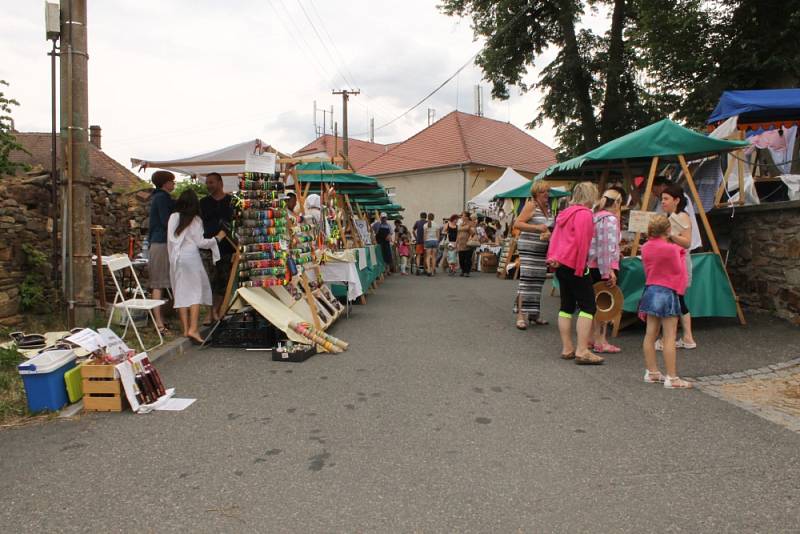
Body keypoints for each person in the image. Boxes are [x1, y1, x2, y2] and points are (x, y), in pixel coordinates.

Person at [546, 182, 604, 365]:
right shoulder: (585, 214)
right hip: (575, 264)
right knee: (588, 307)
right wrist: (581, 267)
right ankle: (582, 350)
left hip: (560, 263)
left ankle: (567, 347)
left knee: (566, 306)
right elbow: (582, 243)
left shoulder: (564, 213)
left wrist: (552, 258)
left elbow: (555, 238)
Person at [639, 215, 692, 389]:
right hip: (667, 292)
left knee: (650, 334)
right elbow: (678, 270)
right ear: (668, 230)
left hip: (650, 290)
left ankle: (652, 372)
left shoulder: (645, 247)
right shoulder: (672, 249)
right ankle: (672, 377)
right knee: (669, 336)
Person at [167, 190, 224, 344]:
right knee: (195, 293)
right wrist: (216, 239)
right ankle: (193, 328)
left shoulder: (174, 216)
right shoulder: (196, 220)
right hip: (191, 257)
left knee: (181, 291)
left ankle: (185, 329)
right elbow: (200, 243)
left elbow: (171, 240)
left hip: (177, 258)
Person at [657, 183, 698, 350]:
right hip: (671, 263)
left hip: (679, 264)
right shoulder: (671, 216)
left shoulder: (682, 217)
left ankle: (684, 337)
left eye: (666, 199)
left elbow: (687, 242)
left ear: (676, 200)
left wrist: (670, 236)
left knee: (678, 299)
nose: (663, 202)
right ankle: (685, 337)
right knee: (677, 299)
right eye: (662, 199)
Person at [513, 180, 553, 329]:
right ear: (536, 193)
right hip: (529, 248)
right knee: (527, 280)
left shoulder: (547, 208)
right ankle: (520, 316)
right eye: (543, 192)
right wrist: (537, 228)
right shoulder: (531, 205)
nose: (547, 194)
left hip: (541, 249)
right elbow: (517, 224)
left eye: (548, 191)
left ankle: (534, 315)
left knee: (538, 280)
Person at [588, 188, 623, 352]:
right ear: (616, 202)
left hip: (592, 264)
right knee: (604, 305)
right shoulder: (610, 219)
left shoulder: (595, 216)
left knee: (592, 304)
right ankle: (600, 341)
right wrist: (608, 271)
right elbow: (606, 247)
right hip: (603, 266)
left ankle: (590, 338)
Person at [200, 172, 233, 325]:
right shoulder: (203, 203)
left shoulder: (231, 201)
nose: (208, 185)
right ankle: (210, 312)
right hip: (208, 247)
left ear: (220, 183)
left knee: (223, 280)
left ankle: (217, 310)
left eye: (211, 182)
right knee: (209, 281)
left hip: (227, 247)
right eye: (207, 182)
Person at [147, 170, 176, 335]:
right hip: (160, 243)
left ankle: (162, 319)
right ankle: (158, 323)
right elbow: (168, 222)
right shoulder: (162, 198)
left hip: (161, 242)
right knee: (158, 284)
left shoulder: (161, 197)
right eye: (172, 181)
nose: (174, 184)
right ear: (165, 183)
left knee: (163, 282)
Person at [455, 211, 477, 277]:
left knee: (467, 258)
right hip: (460, 243)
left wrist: (469, 230)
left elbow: (473, 233)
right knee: (461, 258)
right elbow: (458, 233)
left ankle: (467, 271)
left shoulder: (471, 223)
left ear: (467, 217)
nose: (462, 216)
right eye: (461, 215)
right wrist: (456, 242)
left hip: (468, 243)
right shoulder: (461, 223)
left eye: (463, 215)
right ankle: (463, 270)